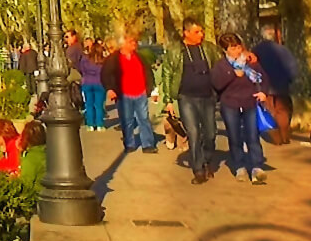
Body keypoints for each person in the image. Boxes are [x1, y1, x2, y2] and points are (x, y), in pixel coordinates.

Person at [158, 17, 221, 183]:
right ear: (186, 33)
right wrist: (168, 100)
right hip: (186, 98)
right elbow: (167, 74)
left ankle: (207, 159)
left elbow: (220, 66)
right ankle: (198, 170)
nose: (201, 35)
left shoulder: (208, 48)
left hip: (207, 97)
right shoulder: (175, 50)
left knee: (210, 134)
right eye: (196, 32)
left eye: (201, 31)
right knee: (193, 133)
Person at [213, 33, 270, 184]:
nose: (237, 51)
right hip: (230, 104)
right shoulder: (221, 65)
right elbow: (217, 84)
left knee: (252, 135)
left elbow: (263, 77)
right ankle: (239, 165)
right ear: (225, 50)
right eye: (233, 48)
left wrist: (263, 92)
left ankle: (256, 167)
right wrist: (232, 74)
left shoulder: (250, 62)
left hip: (249, 102)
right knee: (235, 136)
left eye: (238, 46)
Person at [101, 25, 159, 155]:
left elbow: (148, 73)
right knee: (126, 120)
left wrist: (151, 88)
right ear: (124, 43)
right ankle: (129, 143)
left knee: (143, 119)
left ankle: (148, 144)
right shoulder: (114, 59)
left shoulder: (139, 57)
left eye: (135, 41)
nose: (135, 44)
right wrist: (110, 89)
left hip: (140, 93)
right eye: (131, 42)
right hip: (124, 94)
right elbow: (106, 74)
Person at [253, 23, 297, 145]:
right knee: (282, 110)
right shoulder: (283, 49)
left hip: (264, 86)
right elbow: (293, 67)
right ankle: (284, 135)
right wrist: (290, 79)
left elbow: (252, 68)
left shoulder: (256, 50)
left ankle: (276, 138)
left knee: (270, 111)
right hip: (282, 85)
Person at [78, 41, 107, 131]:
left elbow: (81, 69)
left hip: (87, 82)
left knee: (89, 104)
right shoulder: (103, 61)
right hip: (99, 83)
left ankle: (90, 124)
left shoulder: (85, 59)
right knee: (98, 105)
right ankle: (99, 124)